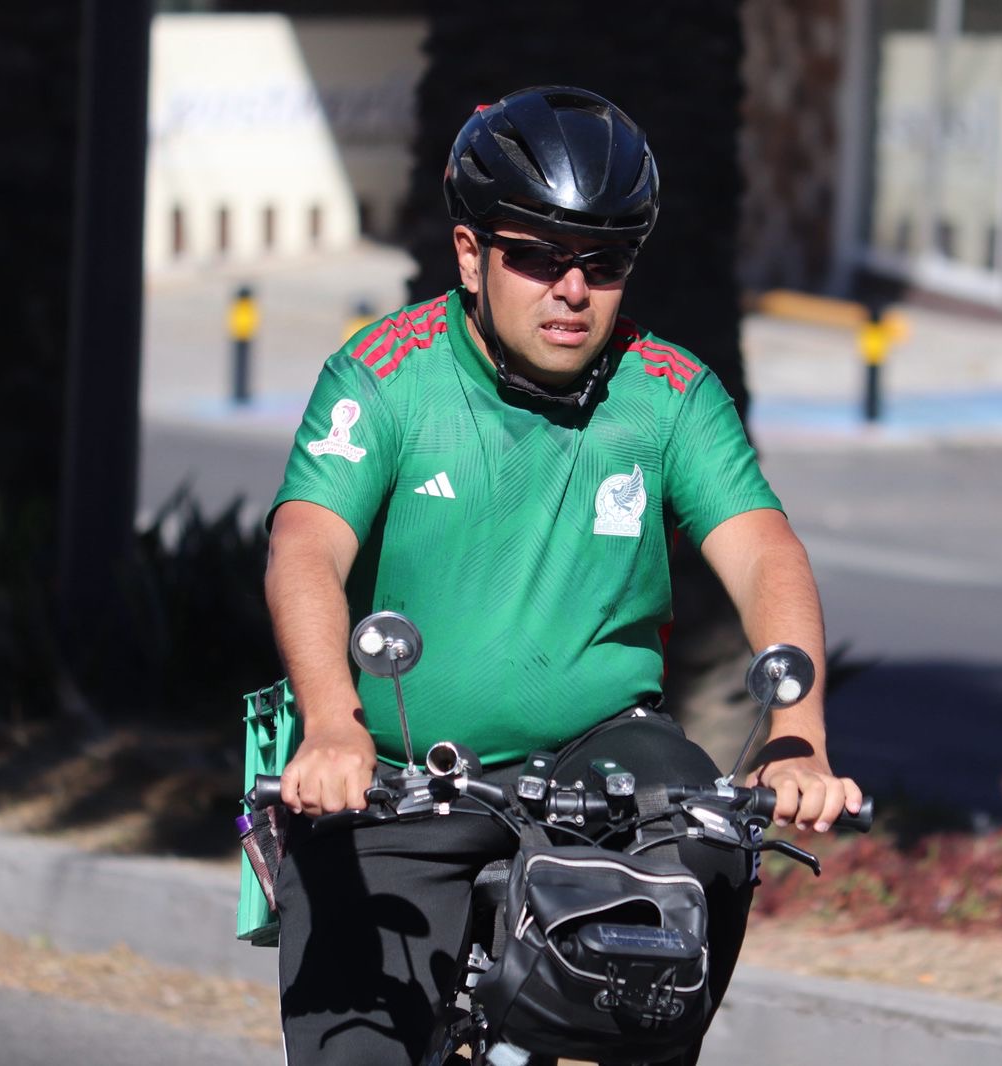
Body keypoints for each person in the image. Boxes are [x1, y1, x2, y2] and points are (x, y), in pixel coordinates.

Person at [263, 85, 862, 1066]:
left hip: (599, 754)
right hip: (398, 766)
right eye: (536, 258)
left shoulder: (668, 392)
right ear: (470, 255)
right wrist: (333, 723)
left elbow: (763, 550)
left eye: (603, 263)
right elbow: (304, 545)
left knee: (715, 835)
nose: (570, 291)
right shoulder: (384, 376)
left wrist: (796, 738)